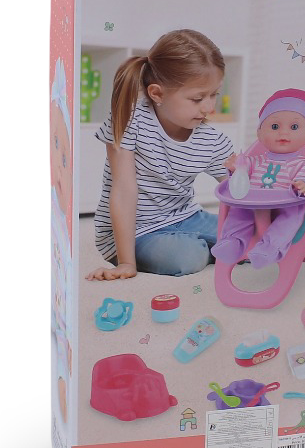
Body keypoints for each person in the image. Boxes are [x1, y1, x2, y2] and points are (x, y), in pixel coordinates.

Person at [87, 29, 236, 280]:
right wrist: (126, 263)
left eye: (214, 95)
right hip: (136, 231)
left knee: (255, 236)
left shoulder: (211, 139)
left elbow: (241, 192)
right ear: (157, 93)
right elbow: (123, 190)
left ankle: (212, 243)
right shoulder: (129, 120)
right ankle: (208, 247)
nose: (209, 107)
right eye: (198, 98)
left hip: (188, 218)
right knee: (189, 257)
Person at [212, 89, 305, 268]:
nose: (283, 133)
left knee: (292, 217)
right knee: (239, 210)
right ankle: (232, 241)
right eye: (275, 127)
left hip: (286, 205)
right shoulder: (256, 160)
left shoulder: (302, 164)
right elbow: (242, 172)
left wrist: (303, 185)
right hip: (253, 204)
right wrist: (236, 167)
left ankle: (270, 248)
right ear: (260, 133)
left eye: (294, 127)